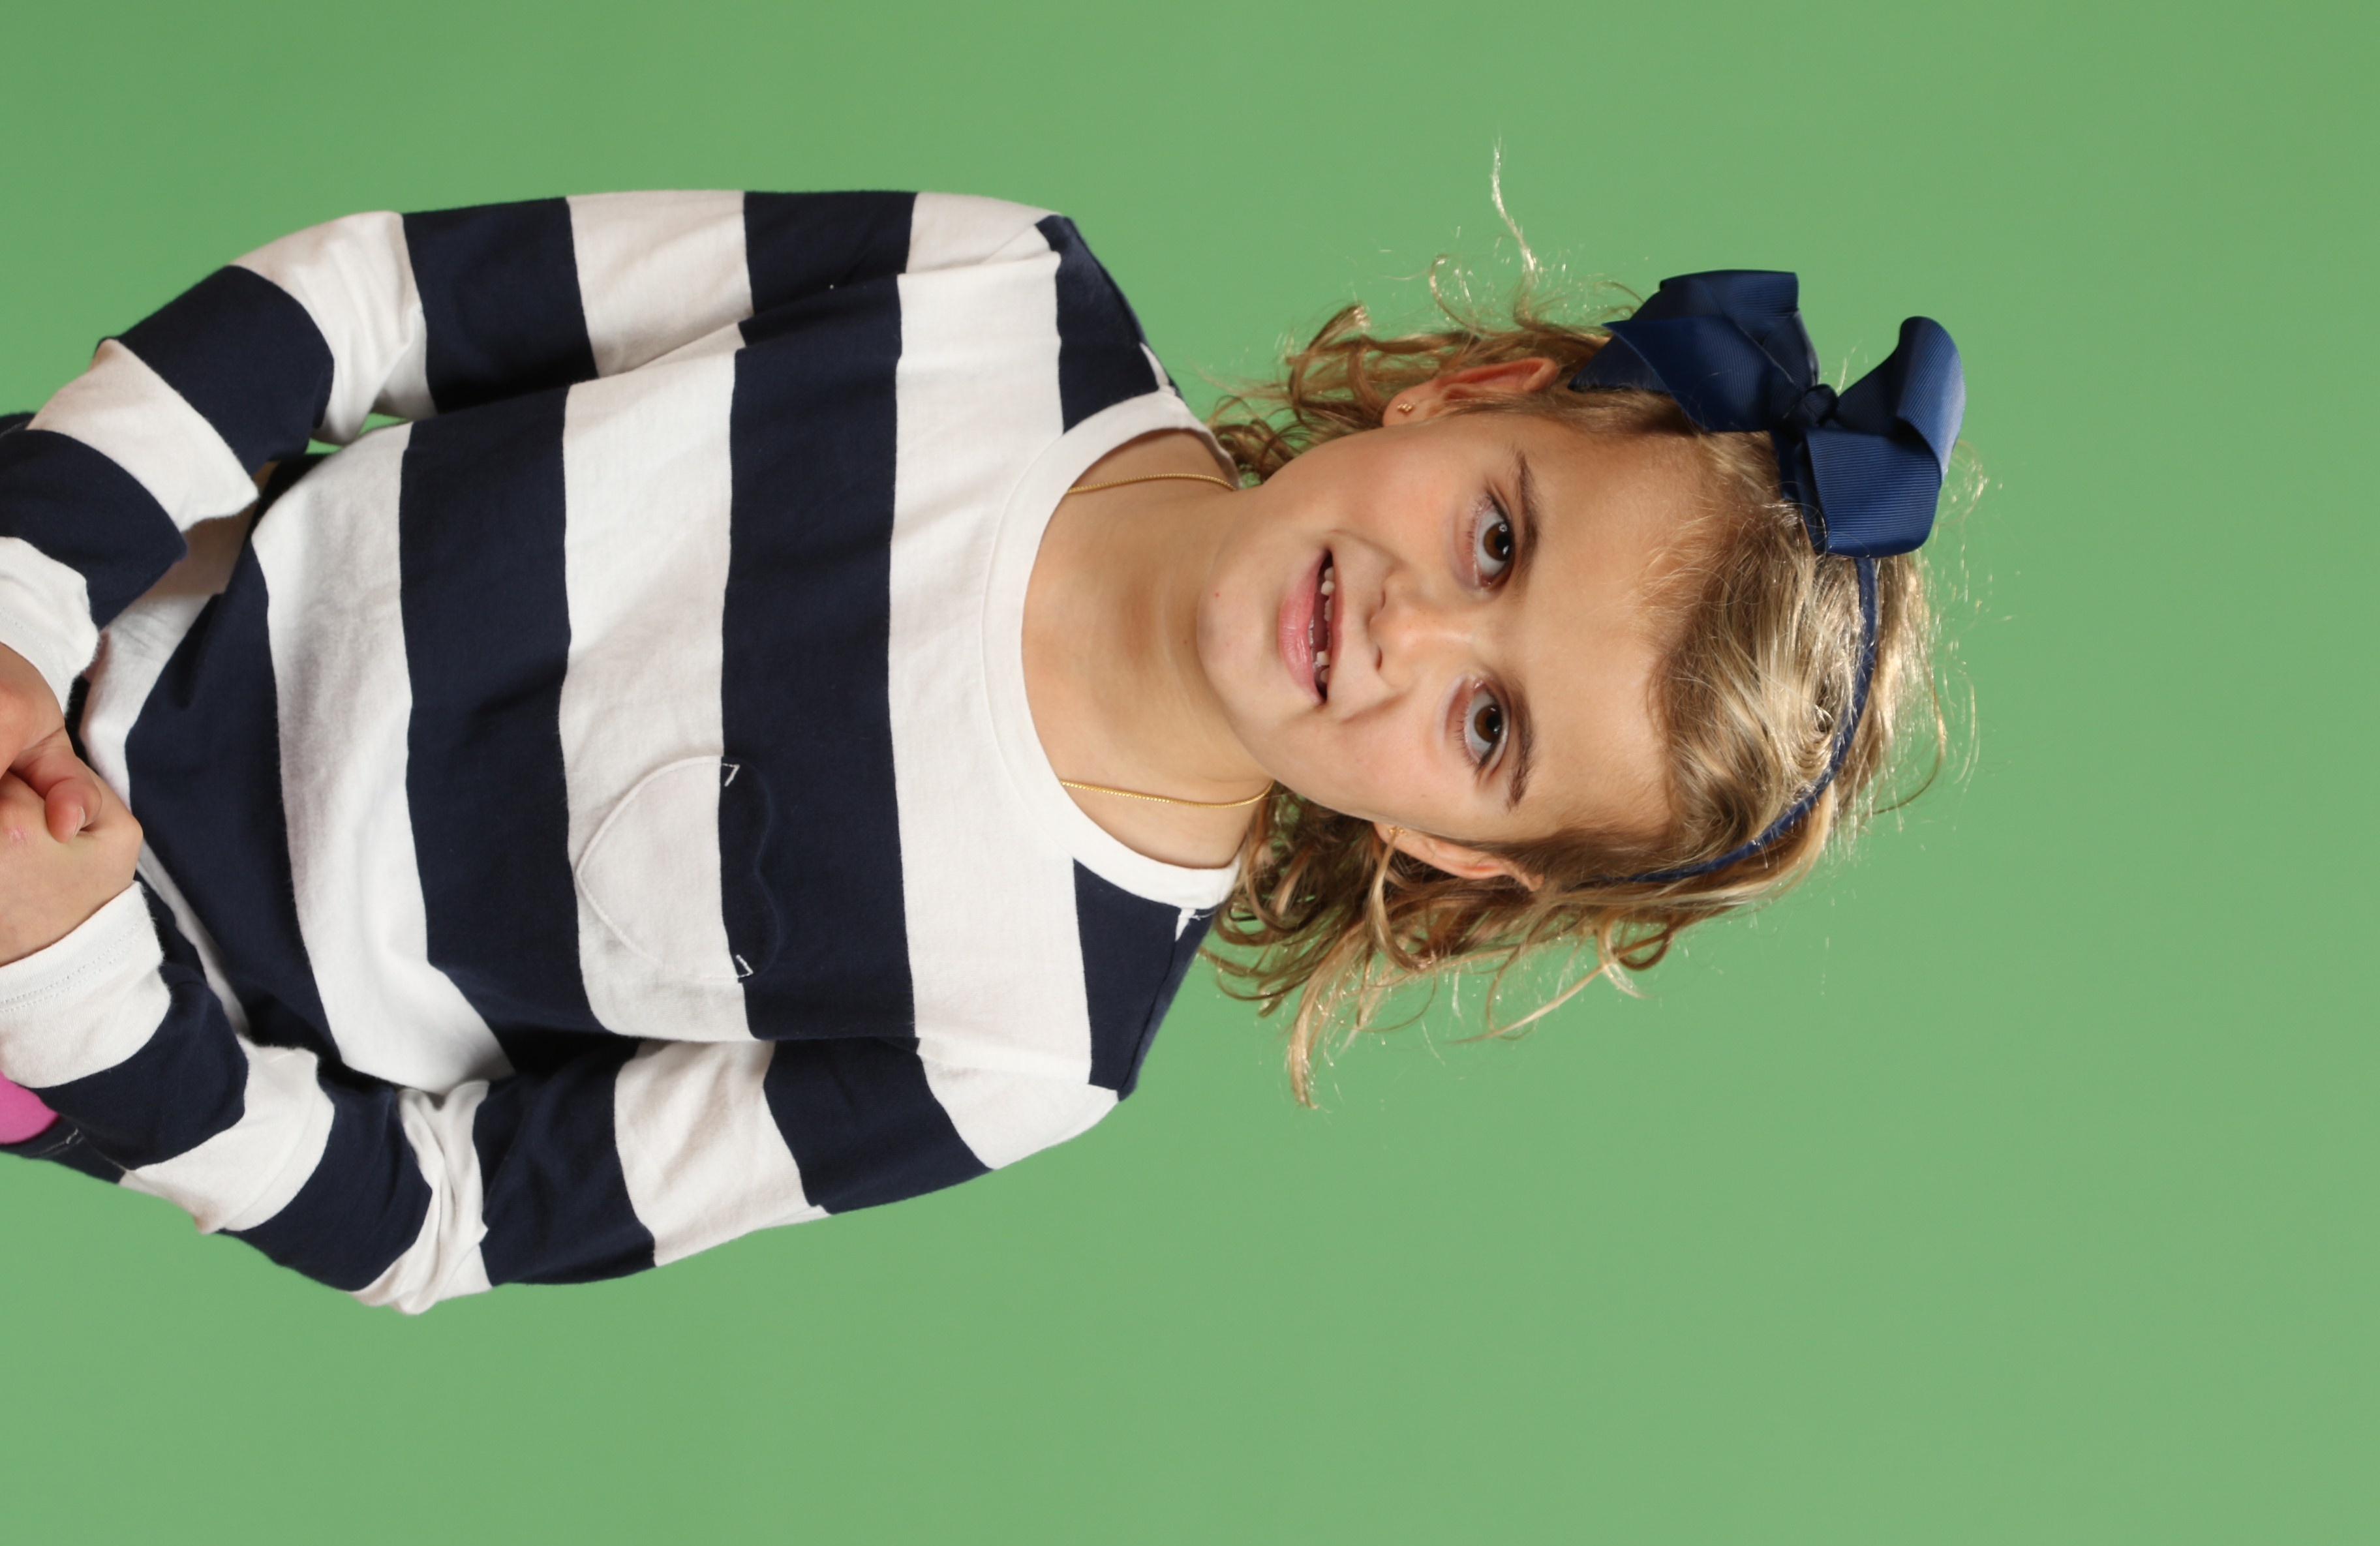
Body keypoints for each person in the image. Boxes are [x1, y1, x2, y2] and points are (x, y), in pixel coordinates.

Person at [0, 190, 1962, 1311]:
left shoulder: (1033, 1040)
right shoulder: (996, 292)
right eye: (1500, 540)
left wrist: (74, 984)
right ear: (1482, 392)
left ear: (1463, 854)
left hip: (101, 998)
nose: (1410, 632)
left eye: (1490, 726)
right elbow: (383, 302)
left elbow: (453, 1218)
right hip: (81, 546)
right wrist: (26, 593)